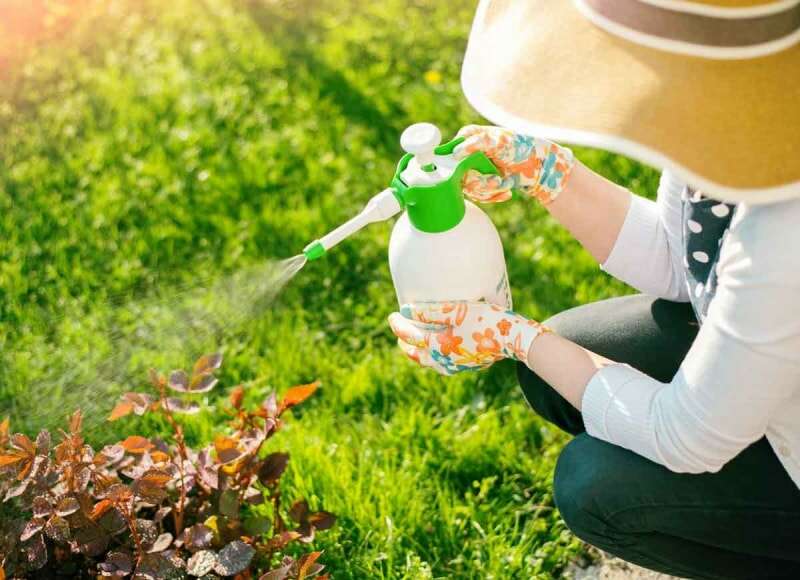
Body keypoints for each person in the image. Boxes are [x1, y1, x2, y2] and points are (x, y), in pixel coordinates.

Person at [387, 0, 800, 577]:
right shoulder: (736, 119)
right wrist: (548, 172)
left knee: (596, 486)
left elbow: (685, 437)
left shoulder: (787, 229)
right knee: (569, 353)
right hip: (781, 375)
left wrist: (513, 335)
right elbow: (688, 263)